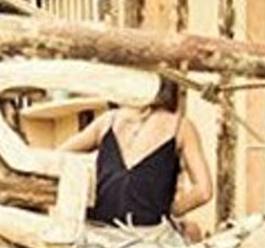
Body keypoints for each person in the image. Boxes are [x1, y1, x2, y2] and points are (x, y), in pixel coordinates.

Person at [59, 79, 214, 232]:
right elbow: (203, 192)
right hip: (149, 236)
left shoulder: (107, 121)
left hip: (98, 234)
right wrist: (169, 212)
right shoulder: (181, 127)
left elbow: (54, 159)